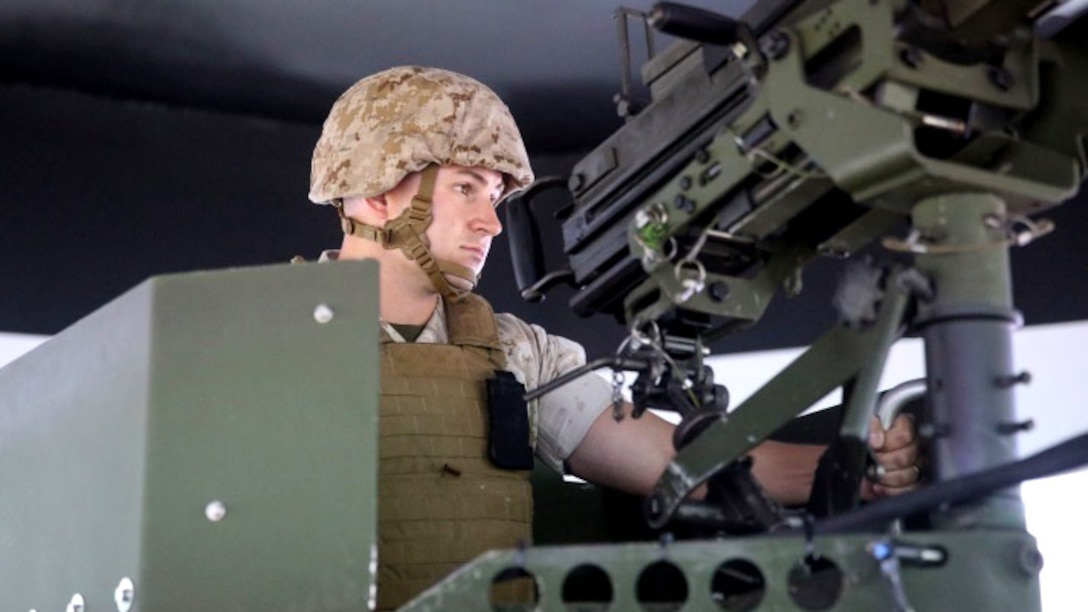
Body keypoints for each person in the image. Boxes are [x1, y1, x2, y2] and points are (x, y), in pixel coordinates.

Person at [307, 65, 920, 610]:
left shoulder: (515, 352)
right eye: (465, 187)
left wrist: (847, 469)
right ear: (377, 194)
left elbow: (679, 468)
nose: (491, 222)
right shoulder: (262, 343)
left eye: (495, 197)